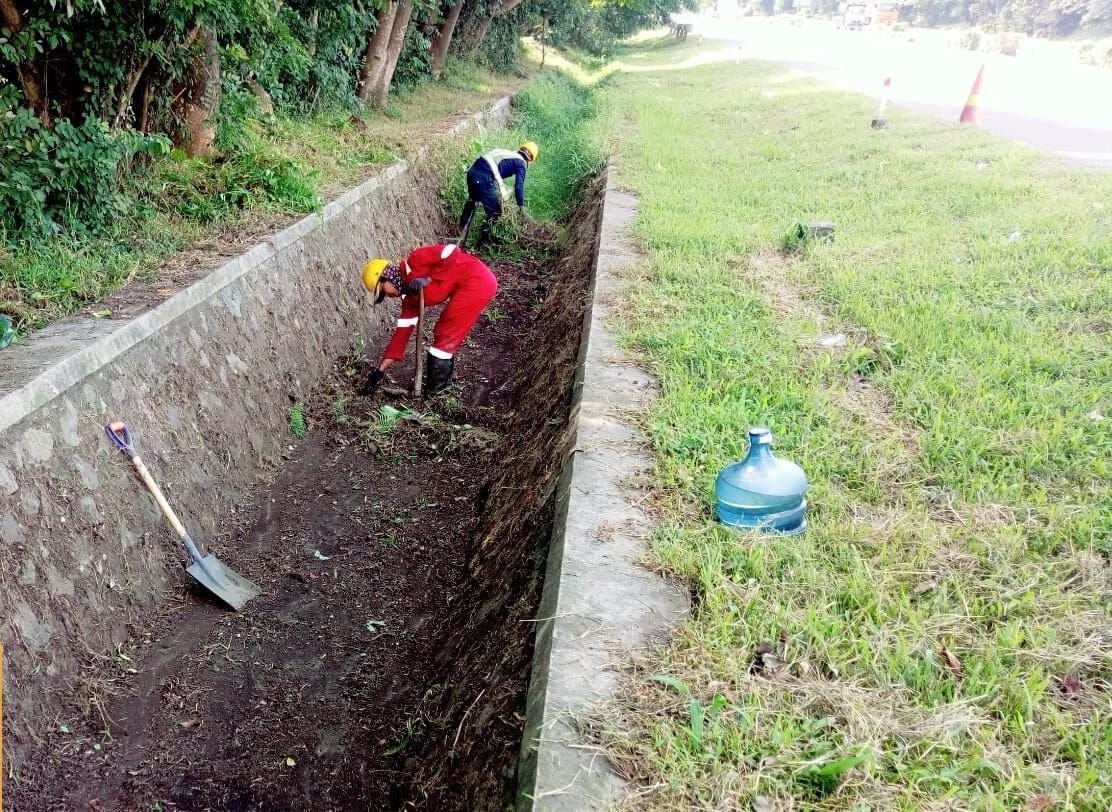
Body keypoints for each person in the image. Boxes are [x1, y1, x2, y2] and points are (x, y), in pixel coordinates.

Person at [361, 243, 498, 398]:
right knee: (443, 332)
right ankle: (441, 387)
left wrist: (428, 278)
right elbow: (400, 338)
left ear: (387, 277)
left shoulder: (416, 260)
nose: (388, 296)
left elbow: (452, 250)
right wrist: (379, 372)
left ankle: (436, 394)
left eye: (383, 291)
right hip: (465, 287)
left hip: (477, 281)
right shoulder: (410, 299)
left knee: (445, 331)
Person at [458, 141, 538, 245]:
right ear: (530, 159)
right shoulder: (521, 163)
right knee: (495, 212)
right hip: (483, 179)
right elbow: (519, 187)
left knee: (473, 200)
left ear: (521, 149)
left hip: (472, 172)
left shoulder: (508, 154)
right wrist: (521, 207)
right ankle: (483, 243)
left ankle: (460, 230)